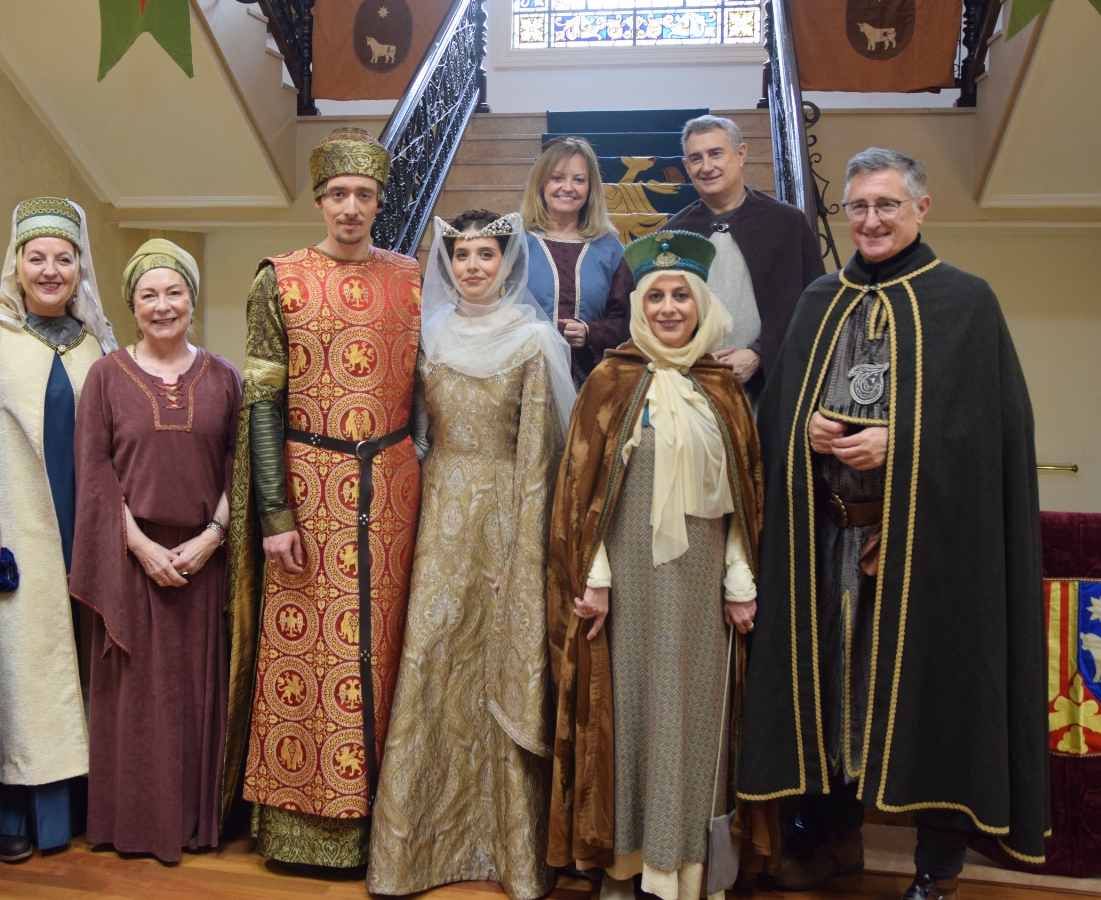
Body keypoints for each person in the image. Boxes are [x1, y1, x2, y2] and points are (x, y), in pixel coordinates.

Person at [735, 149, 1047, 900]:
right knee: (831, 688)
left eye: (887, 205)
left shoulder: (965, 303)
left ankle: (936, 868)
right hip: (826, 541)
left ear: (921, 209)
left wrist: (901, 444)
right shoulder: (819, 300)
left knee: (930, 692)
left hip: (925, 545)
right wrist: (803, 430)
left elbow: (992, 435)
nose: (871, 221)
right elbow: (777, 417)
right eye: (859, 207)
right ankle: (833, 838)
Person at [546, 230, 767, 900]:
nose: (669, 308)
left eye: (681, 295)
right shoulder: (609, 382)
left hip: (702, 588)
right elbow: (582, 495)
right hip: (629, 587)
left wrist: (740, 582)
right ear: (639, 305)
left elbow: (743, 500)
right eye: (656, 296)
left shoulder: (723, 389)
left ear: (702, 303)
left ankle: (689, 870)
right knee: (630, 718)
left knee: (696, 720)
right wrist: (595, 579)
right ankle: (627, 865)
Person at [367, 210, 574, 900]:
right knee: (430, 655)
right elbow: (415, 435)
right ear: (448, 264)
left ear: (507, 262)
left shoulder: (534, 341)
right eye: (462, 255)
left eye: (487, 254)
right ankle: (414, 854)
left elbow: (541, 455)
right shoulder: (428, 335)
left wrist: (525, 547)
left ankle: (510, 852)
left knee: (495, 659)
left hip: (506, 515)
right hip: (435, 517)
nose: (474, 267)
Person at [230, 126, 422, 867]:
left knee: (386, 655)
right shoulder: (278, 279)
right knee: (307, 657)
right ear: (319, 200)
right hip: (309, 495)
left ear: (379, 201)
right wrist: (274, 512)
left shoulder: (411, 278)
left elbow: (424, 391)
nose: (350, 207)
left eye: (363, 195)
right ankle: (299, 828)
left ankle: (385, 826)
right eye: (338, 194)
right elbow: (263, 406)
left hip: (393, 493)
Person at [0, 197, 116, 863]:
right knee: (21, 665)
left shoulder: (96, 344)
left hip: (86, 528)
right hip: (16, 528)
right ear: (16, 264)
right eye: (36, 257)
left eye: (63, 258)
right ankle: (14, 810)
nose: (50, 270)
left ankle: (78, 806)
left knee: (78, 662)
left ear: (80, 268)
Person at [70, 239, 241, 861]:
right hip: (131, 563)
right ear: (132, 304)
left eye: (175, 292)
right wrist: (140, 547)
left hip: (204, 563)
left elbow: (240, 469)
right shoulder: (105, 377)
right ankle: (135, 824)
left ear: (193, 299)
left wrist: (212, 538)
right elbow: (95, 474)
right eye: (149, 295)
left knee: (194, 699)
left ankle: (195, 822)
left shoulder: (224, 377)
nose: (163, 305)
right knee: (137, 701)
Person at [660, 115, 824, 401]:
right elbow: (657, 315)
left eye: (716, 154)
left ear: (741, 154)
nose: (706, 167)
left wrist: (760, 353)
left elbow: (813, 308)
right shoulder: (673, 235)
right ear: (686, 166)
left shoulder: (787, 223)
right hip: (694, 390)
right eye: (696, 158)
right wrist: (694, 357)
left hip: (771, 389)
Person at [521, 135, 635, 386]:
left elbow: (625, 319)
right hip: (527, 378)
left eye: (579, 180)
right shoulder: (518, 243)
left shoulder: (610, 248)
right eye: (557, 178)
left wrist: (590, 332)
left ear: (591, 188)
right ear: (541, 183)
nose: (568, 188)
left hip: (591, 381)